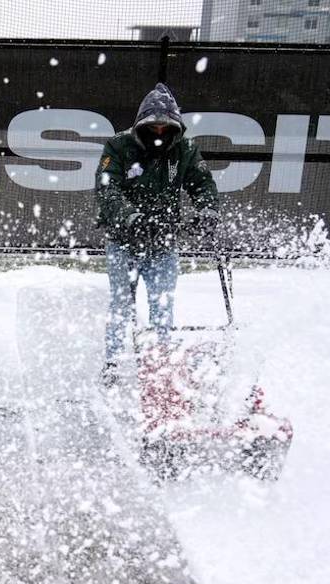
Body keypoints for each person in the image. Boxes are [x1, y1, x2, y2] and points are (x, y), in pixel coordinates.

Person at [94, 82, 220, 387]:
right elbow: (107, 189)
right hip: (124, 243)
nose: (160, 133)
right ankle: (113, 362)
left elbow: (202, 183)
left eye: (166, 128)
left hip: (164, 243)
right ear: (142, 125)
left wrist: (207, 211)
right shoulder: (119, 147)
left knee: (162, 305)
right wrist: (131, 218)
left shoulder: (185, 149)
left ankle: (160, 362)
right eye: (154, 127)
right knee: (121, 303)